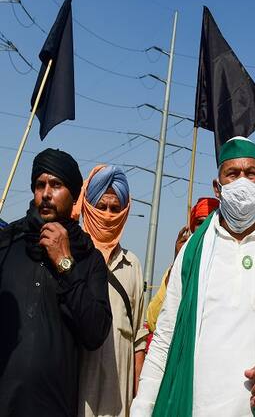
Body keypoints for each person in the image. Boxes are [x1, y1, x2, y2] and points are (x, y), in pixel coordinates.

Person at [132, 136, 255, 416]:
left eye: (250, 173)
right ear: (217, 187)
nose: (242, 181)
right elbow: (164, 340)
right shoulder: (192, 253)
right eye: (232, 174)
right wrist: (142, 409)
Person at [0, 148, 112, 417]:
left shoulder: (88, 259)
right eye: (40, 185)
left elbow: (95, 333)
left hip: (54, 407)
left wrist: (64, 263)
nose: (47, 194)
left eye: (56, 185)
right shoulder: (8, 245)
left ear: (74, 196)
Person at [74, 165, 147, 417]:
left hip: (118, 401)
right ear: (88, 206)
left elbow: (139, 341)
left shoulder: (132, 265)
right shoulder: (71, 259)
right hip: (76, 396)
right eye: (101, 206)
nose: (107, 215)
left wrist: (139, 401)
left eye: (115, 209)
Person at [145, 197, 219, 339]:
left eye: (210, 222)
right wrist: (178, 261)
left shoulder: (227, 266)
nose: (205, 228)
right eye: (200, 223)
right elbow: (154, 320)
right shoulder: (176, 269)